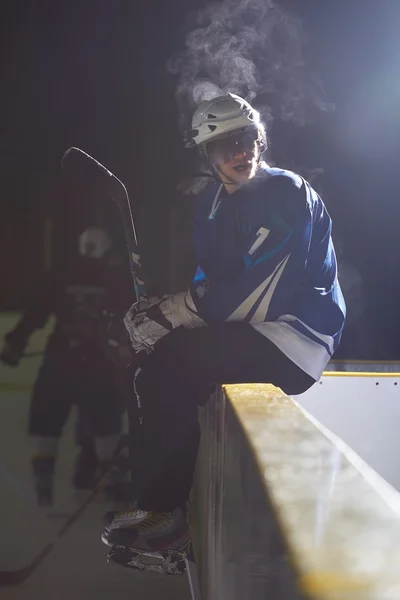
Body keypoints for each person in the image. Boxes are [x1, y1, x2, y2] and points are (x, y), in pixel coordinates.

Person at [101, 94, 346, 574]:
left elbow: (260, 293)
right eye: (222, 146)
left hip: (294, 338)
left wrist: (175, 315)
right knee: (156, 364)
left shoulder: (285, 192)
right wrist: (166, 314)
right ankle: (161, 505)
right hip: (257, 334)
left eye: (247, 137)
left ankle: (163, 515)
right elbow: (208, 287)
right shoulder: (212, 206)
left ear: (261, 137)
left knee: (167, 365)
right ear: (204, 156)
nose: (239, 151)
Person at [0, 226, 135, 506]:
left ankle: (44, 480)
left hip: (62, 358)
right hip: (98, 360)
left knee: (46, 420)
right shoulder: (117, 277)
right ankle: (111, 484)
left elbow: (36, 312)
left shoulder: (61, 274)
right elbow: (130, 317)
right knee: (104, 422)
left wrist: (16, 343)